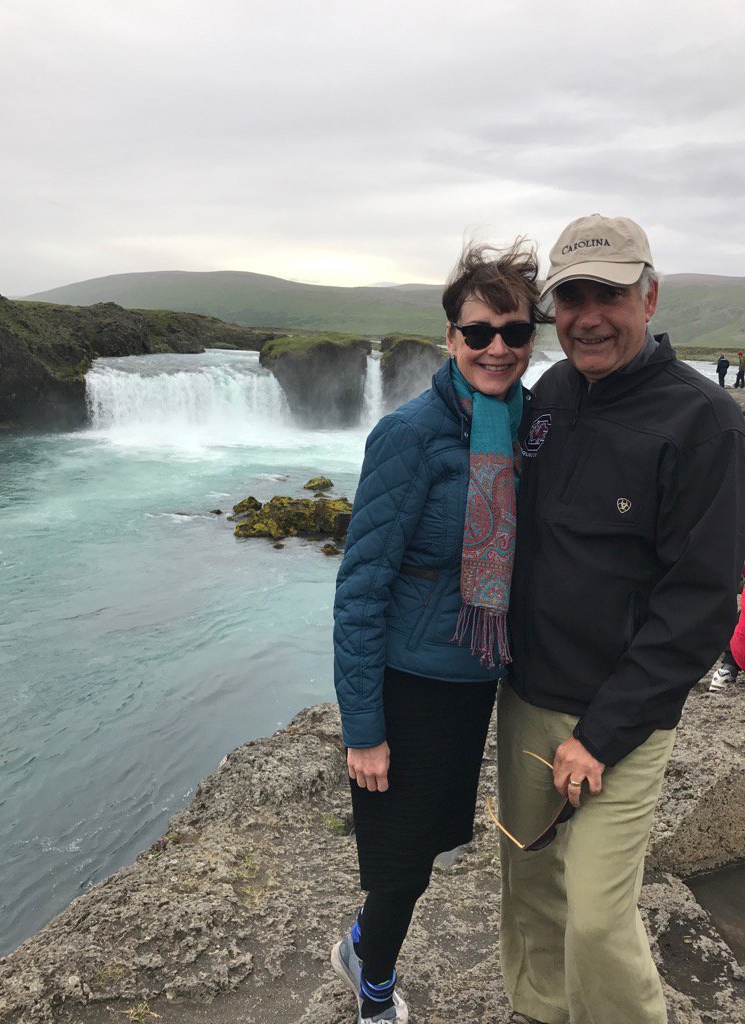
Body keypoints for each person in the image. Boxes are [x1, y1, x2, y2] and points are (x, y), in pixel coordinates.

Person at [496, 214, 745, 1024]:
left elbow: (701, 603)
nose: (589, 315)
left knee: (599, 917)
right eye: (572, 297)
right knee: (531, 888)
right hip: (529, 697)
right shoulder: (551, 395)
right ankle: (539, 1013)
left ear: (650, 295)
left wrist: (601, 734)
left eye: (610, 293)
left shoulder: (704, 421)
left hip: (622, 718)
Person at [331, 241, 552, 1024]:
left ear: (533, 338)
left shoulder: (532, 430)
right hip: (408, 679)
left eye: (514, 332)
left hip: (473, 679)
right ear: (450, 339)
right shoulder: (410, 433)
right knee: (400, 864)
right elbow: (360, 586)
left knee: (427, 847)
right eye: (479, 331)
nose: (498, 348)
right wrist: (363, 727)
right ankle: (374, 990)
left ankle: (363, 946)